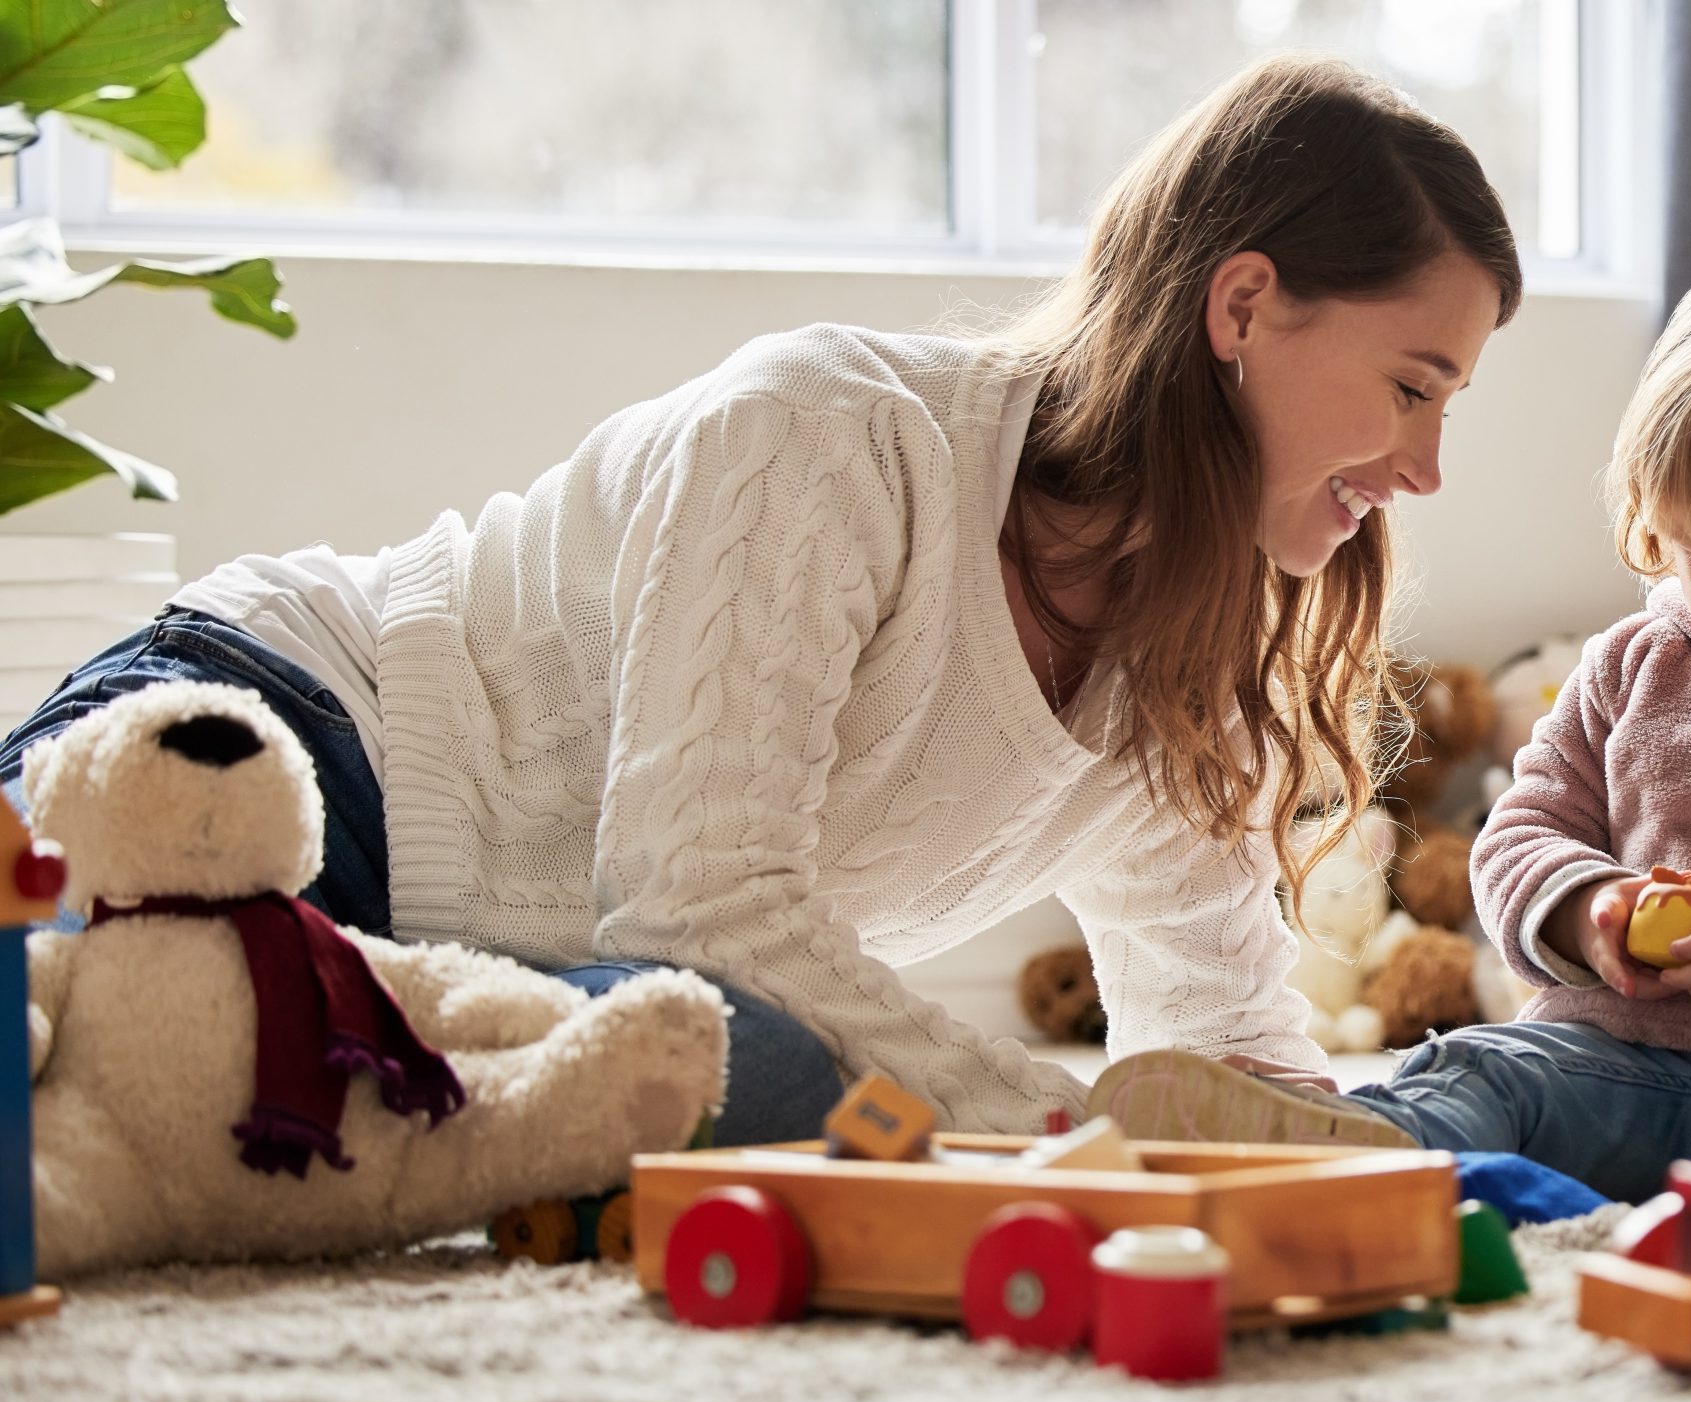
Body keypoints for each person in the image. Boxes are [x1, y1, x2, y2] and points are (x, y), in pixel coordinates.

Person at [0, 55, 1522, 1145]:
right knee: (71, 1045)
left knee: (761, 1085)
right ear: (1243, 307)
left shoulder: (1202, 657)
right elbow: (702, 908)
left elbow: (1214, 1044)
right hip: (292, 740)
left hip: (505, 990)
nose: (1428, 466)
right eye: (1411, 386)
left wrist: (1352, 1160)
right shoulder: (835, 434)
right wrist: (1051, 1125)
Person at [1091, 224, 1691, 1203]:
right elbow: (1518, 837)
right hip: (1612, 1060)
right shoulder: (1632, 665)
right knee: (1481, 1068)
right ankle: (1352, 1153)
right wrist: (1587, 911)